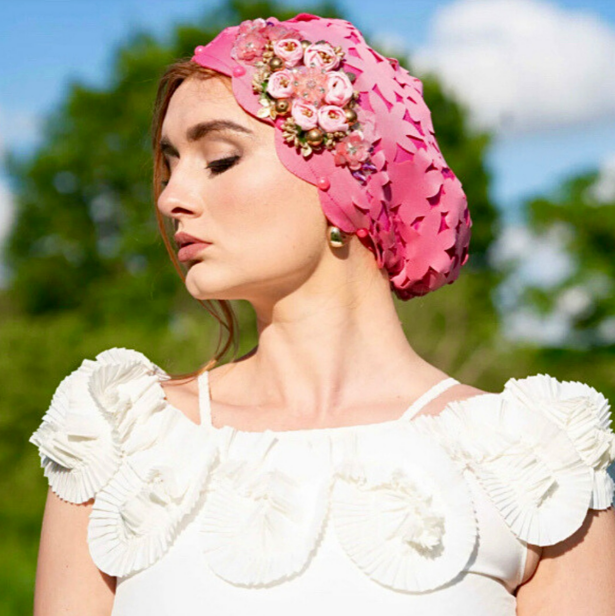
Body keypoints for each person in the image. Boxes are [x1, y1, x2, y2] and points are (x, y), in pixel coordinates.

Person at [29, 12, 615, 616]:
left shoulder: (535, 461)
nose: (170, 197)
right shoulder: (116, 437)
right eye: (170, 163)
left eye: (220, 159)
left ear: (345, 182)